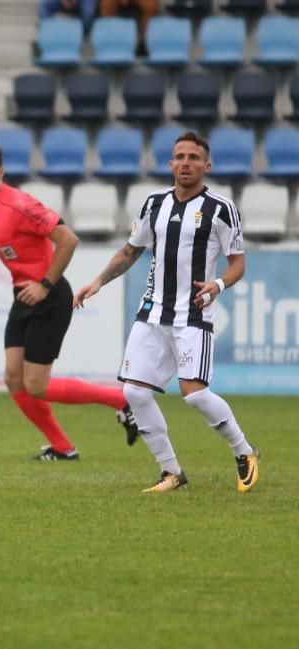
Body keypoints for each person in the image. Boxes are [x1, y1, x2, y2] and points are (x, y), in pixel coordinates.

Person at [0, 139, 139, 461]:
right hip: (23, 297)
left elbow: (68, 240)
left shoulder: (21, 204)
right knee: (14, 379)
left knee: (36, 385)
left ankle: (121, 399)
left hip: (50, 296)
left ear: (1, 170)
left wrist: (44, 284)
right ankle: (64, 448)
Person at [74, 131, 260, 493]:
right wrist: (97, 282)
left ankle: (245, 451)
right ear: (170, 163)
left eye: (193, 157)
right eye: (179, 156)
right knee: (135, 392)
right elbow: (130, 251)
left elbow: (238, 264)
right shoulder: (153, 204)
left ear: (206, 165)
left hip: (193, 315)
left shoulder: (221, 208)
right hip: (152, 313)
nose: (185, 163)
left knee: (194, 394)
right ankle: (171, 472)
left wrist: (218, 285)